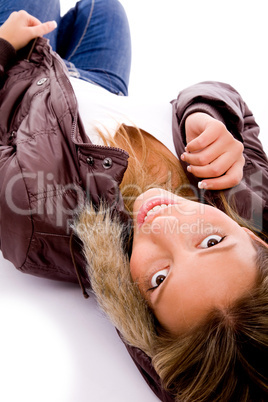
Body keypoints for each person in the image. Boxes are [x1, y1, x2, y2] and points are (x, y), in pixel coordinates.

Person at [0, 1, 267, 401]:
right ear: (257, 242)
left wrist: (6, 47)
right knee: (104, 8)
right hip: (103, 85)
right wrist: (205, 114)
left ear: (139, 313)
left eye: (160, 278)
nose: (164, 226)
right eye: (211, 242)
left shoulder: (36, 217)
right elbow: (231, 104)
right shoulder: (254, 204)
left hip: (23, 72)